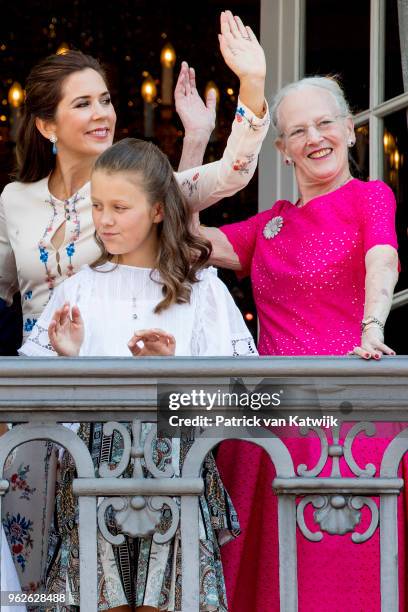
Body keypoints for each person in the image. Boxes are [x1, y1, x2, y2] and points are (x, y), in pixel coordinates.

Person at [0, 9, 268, 603]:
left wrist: (250, 87)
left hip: (165, 461)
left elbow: (232, 171)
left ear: (151, 208)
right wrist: (60, 361)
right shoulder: (16, 203)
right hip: (54, 425)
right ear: (47, 125)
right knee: (40, 590)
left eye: (105, 100)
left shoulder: (163, 205)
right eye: (83, 104)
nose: (101, 114)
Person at [19, 136, 257, 611]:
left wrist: (177, 376)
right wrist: (69, 360)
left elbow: (248, 400)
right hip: (92, 481)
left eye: (120, 207)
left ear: (156, 211)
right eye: (97, 206)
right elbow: (30, 406)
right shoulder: (79, 289)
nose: (104, 220)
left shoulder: (204, 291)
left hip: (176, 480)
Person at [193, 77, 401, 611]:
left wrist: (372, 328)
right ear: (282, 151)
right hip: (270, 418)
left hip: (349, 412)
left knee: (344, 579)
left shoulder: (369, 196)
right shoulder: (270, 226)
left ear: (350, 131)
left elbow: (382, 258)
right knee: (275, 581)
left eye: (326, 122)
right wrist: (198, 141)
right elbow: (182, 239)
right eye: (297, 131)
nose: (315, 137)